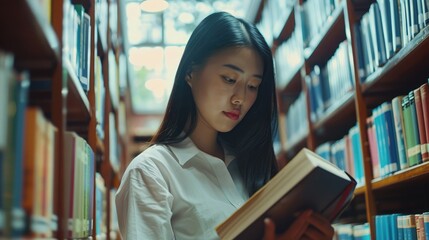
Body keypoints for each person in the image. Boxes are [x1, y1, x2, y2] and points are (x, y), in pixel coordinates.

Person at [115, 11, 334, 240]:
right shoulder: (151, 172)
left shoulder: (252, 165)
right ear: (190, 72)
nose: (240, 98)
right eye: (229, 79)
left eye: (252, 86)